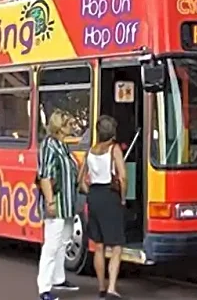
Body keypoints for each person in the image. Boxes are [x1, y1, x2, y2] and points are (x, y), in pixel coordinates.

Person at [79, 115, 127, 299]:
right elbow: (122, 177)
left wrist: (89, 191)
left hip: (94, 196)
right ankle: (112, 287)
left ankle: (100, 286)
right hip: (109, 196)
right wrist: (122, 198)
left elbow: (80, 180)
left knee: (98, 246)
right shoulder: (114, 149)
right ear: (113, 132)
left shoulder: (91, 150)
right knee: (116, 245)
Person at [36, 110, 81, 300]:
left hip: (68, 204)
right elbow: (44, 175)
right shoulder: (49, 146)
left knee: (64, 240)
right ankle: (44, 288)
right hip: (57, 203)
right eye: (69, 124)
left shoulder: (62, 146)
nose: (73, 127)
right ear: (59, 127)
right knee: (51, 246)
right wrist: (50, 202)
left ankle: (58, 278)